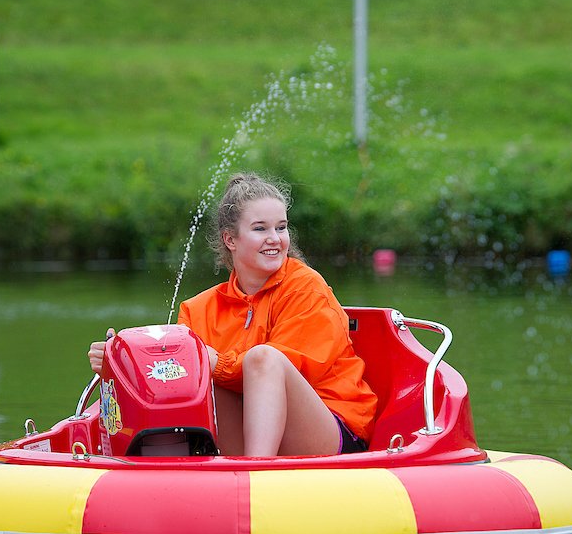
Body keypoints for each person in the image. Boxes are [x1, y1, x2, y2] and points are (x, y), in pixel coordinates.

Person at [88, 173, 377, 457]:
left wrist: (217, 364)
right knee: (197, 380)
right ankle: (170, 468)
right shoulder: (197, 309)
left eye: (281, 227)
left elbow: (293, 368)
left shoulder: (306, 288)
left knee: (263, 358)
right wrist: (121, 367)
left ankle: (255, 471)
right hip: (251, 433)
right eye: (260, 229)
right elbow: (173, 382)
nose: (275, 239)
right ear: (230, 239)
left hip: (330, 427)